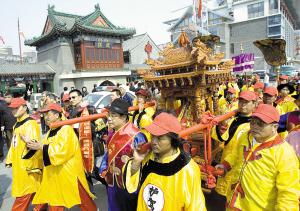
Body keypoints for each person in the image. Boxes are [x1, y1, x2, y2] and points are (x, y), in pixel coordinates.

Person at [124, 112, 207, 211]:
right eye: (153, 136)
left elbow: (196, 206)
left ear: (172, 140)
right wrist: (136, 162)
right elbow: (131, 185)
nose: (154, 142)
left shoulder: (187, 169)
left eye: (159, 138)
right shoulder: (147, 157)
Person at [226, 104, 300, 210]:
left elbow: (289, 194)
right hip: (233, 202)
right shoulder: (246, 136)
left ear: (275, 127)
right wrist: (224, 166)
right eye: (253, 121)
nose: (254, 126)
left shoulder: (284, 153)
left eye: (260, 123)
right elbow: (235, 155)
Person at [25, 103, 97, 210]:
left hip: (69, 173)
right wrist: (32, 145)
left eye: (47, 114)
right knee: (55, 200)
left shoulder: (66, 129)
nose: (45, 117)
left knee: (83, 200)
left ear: (57, 115)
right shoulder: (50, 131)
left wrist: (42, 147)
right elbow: (43, 148)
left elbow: (62, 151)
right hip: (55, 174)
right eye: (44, 115)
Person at [208, 91, 257, 211]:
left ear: (254, 104)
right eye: (241, 102)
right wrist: (218, 127)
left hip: (242, 166)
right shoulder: (233, 119)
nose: (242, 105)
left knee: (238, 199)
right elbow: (222, 138)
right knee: (223, 196)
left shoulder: (255, 123)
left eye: (246, 102)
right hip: (227, 160)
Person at [99, 98, 147, 211]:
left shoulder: (137, 136)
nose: (109, 119)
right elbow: (107, 156)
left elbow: (143, 163)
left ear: (124, 117)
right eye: (109, 115)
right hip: (112, 184)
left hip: (129, 187)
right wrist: (104, 171)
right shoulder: (112, 134)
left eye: (113, 115)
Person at [5, 98, 43, 211]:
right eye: (12, 108)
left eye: (16, 108)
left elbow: (33, 147)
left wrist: (31, 166)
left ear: (25, 108)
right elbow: (14, 144)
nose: (13, 110)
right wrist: (10, 159)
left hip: (27, 167)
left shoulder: (30, 124)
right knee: (34, 191)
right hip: (19, 166)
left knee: (24, 194)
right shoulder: (17, 124)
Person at [0, 92, 16, 157]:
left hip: (16, 126)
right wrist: (2, 125)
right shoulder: (2, 106)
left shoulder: (15, 105)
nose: (7, 99)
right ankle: (11, 156)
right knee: (9, 141)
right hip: (7, 127)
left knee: (16, 141)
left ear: (12, 98)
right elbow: (1, 116)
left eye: (8, 97)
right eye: (5, 97)